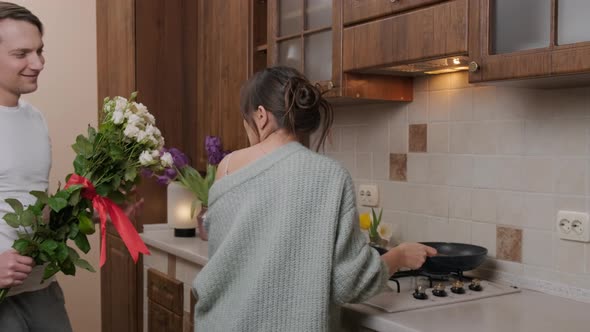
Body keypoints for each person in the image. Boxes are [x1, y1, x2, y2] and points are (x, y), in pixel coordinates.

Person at [193, 66, 437, 331]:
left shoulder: (226, 167)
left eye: (246, 122)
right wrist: (398, 257)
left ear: (261, 116)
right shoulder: (330, 176)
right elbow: (349, 283)